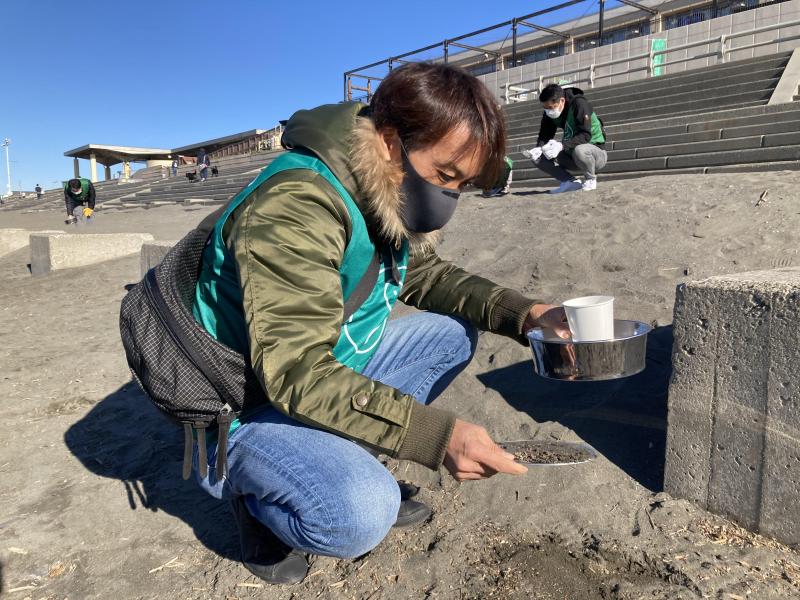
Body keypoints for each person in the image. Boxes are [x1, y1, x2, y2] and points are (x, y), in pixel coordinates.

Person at [189, 63, 570, 585]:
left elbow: (425, 275)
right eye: (444, 176)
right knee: (360, 515)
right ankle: (251, 498)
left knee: (450, 333)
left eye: (460, 185)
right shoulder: (296, 206)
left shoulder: (375, 184)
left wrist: (523, 314)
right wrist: (435, 437)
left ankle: (340, 454)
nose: (448, 197)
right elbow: (296, 371)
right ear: (391, 142)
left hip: (325, 367)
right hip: (243, 402)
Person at [522, 84, 607, 194]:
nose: (548, 111)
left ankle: (590, 179)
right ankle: (569, 182)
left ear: (562, 101)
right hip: (571, 154)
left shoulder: (579, 104)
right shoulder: (549, 113)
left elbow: (585, 135)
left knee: (580, 150)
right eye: (545, 108)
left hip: (595, 153)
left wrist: (561, 145)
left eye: (551, 108)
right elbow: (545, 134)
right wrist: (539, 148)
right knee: (538, 157)